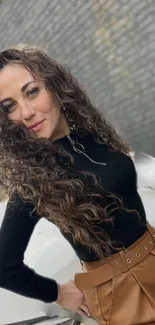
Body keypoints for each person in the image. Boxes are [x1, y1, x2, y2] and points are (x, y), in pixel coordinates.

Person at [0, 47, 154, 325]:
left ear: (55, 86)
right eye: (9, 106)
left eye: (31, 91)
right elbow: (3, 266)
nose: (25, 112)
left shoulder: (89, 135)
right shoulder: (32, 181)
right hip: (124, 293)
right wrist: (57, 293)